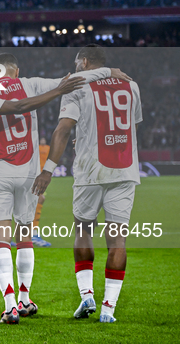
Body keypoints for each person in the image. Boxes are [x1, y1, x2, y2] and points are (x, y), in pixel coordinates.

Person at [0, 53, 130, 324]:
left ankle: (10, 304)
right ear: (16, 70)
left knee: (1, 238)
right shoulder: (31, 84)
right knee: (24, 234)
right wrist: (108, 70)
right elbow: (71, 80)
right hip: (28, 173)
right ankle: (25, 299)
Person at [32, 45, 142, 323]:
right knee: (117, 238)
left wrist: (48, 170)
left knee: (83, 228)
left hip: (91, 169)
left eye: (76, 61)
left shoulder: (77, 86)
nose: (75, 66)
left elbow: (62, 129)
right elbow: (131, 126)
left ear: (84, 61)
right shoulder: (132, 85)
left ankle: (86, 295)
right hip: (125, 169)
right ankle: (108, 309)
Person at [32, 137, 52, 247]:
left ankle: (6, 236)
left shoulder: (47, 148)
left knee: (38, 199)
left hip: (38, 171)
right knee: (39, 199)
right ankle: (32, 235)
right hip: (32, 171)